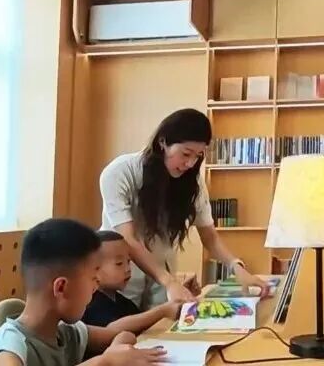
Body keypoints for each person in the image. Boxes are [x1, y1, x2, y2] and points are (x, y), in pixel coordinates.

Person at [99, 108, 269, 309]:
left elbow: (210, 237)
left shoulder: (193, 183)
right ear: (163, 142)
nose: (190, 163)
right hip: (120, 271)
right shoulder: (119, 172)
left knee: (161, 324)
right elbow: (129, 239)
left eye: (198, 156)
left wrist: (237, 268)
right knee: (122, 322)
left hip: (162, 272)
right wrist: (170, 282)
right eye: (186, 154)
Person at [0, 218, 166, 366]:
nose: (95, 287)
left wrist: (118, 347)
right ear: (61, 287)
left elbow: (120, 333)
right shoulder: (9, 347)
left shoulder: (67, 332)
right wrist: (104, 361)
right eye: (92, 278)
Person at [82, 231, 181, 333]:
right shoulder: (90, 303)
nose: (128, 269)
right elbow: (111, 329)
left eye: (128, 261)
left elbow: (141, 321)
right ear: (94, 269)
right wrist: (162, 311)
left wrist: (178, 299)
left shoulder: (123, 302)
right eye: (119, 263)